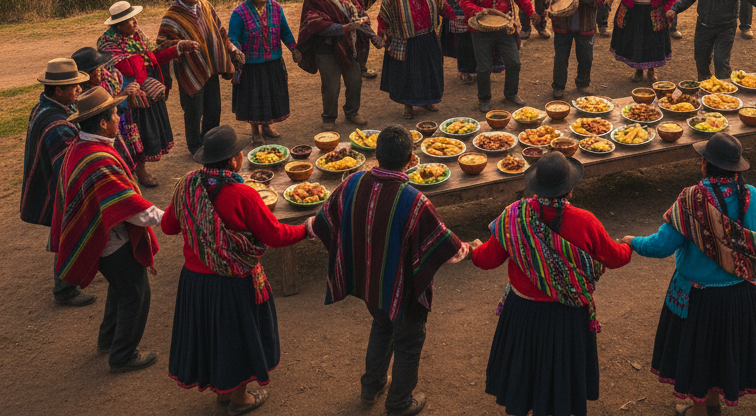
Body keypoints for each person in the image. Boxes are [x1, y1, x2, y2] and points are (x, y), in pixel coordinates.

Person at [313, 125, 472, 416]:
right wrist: (469, 248)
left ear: (376, 154)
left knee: (382, 325)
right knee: (409, 341)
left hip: (370, 285)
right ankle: (399, 402)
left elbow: (324, 218)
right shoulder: (414, 200)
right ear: (411, 158)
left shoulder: (352, 183)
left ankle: (371, 385)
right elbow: (444, 246)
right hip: (403, 291)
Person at [624, 134, 756, 416]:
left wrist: (633, 242)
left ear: (705, 164)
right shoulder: (751, 195)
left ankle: (699, 410)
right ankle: (715, 403)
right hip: (741, 295)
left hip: (699, 298)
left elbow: (661, 246)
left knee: (699, 352)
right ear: (737, 169)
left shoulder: (690, 200)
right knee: (722, 350)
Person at [163, 125, 311, 414]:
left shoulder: (187, 185)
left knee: (212, 335)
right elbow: (275, 236)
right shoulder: (242, 193)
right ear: (233, 161)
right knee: (238, 337)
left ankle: (223, 390)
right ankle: (239, 399)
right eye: (239, 154)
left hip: (195, 281)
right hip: (233, 281)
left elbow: (169, 227)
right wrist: (306, 230)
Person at [472, 151, 632, 416]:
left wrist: (474, 249)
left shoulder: (514, 217)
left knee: (521, 379)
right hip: (567, 317)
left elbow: (487, 259)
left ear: (534, 186)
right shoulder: (585, 222)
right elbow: (615, 258)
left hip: (522, 313)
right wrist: (629, 245)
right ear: (569, 189)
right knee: (560, 381)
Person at [52, 87, 164, 372]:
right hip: (111, 242)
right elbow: (129, 205)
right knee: (135, 293)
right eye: (115, 114)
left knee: (120, 288)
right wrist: (171, 218)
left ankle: (108, 339)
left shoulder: (81, 146)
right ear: (102, 123)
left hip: (103, 238)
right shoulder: (97, 159)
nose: (118, 118)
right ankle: (123, 355)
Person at [21, 58, 95, 307]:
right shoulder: (58, 125)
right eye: (73, 86)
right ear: (57, 90)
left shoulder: (43, 109)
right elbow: (68, 166)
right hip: (61, 189)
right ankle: (65, 290)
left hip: (52, 183)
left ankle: (85, 272)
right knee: (69, 233)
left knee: (68, 231)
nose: (79, 90)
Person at [99, 0, 197, 186]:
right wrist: (137, 77)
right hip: (128, 97)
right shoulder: (108, 44)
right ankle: (137, 172)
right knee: (132, 134)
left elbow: (155, 57)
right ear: (119, 25)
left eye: (134, 18)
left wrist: (177, 49)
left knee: (144, 132)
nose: (135, 22)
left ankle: (140, 169)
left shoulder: (138, 36)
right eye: (130, 20)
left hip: (147, 91)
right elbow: (121, 69)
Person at [157, 0, 243, 157]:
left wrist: (232, 49)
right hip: (189, 70)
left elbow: (219, 30)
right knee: (193, 110)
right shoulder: (172, 16)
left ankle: (209, 142)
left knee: (214, 108)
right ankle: (195, 146)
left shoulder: (205, 5)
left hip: (211, 66)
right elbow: (161, 45)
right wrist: (180, 45)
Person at [297, 0, 379, 128]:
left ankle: (352, 111)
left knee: (355, 79)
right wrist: (344, 28)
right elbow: (315, 24)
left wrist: (370, 32)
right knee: (331, 85)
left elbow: (357, 9)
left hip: (348, 45)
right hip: (326, 49)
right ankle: (329, 117)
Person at [460, 0, 542, 112]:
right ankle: (484, 98)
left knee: (514, 63)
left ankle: (511, 94)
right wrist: (479, 11)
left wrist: (531, 12)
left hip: (505, 26)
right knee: (484, 67)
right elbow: (465, 2)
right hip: (480, 30)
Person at [227, 0, 302, 144]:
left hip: (273, 60)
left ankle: (267, 127)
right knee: (255, 97)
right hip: (252, 64)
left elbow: (284, 30)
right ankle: (255, 131)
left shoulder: (275, 7)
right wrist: (236, 52)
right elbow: (233, 37)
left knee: (271, 95)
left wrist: (293, 48)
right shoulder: (239, 13)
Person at [378, 0, 452, 120]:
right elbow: (383, 17)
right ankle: (408, 105)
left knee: (430, 72)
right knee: (408, 75)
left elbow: (442, 6)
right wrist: (380, 34)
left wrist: (455, 17)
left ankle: (428, 101)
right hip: (406, 40)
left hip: (429, 37)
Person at [540, 0, 606, 98]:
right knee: (561, 58)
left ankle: (583, 84)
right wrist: (554, 0)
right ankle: (558, 86)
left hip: (585, 24)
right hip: (562, 25)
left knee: (586, 57)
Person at [72, 45, 145, 169]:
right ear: (87, 75)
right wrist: (122, 95)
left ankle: (139, 170)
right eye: (98, 69)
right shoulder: (80, 97)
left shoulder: (110, 79)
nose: (102, 71)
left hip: (118, 121)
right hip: (102, 132)